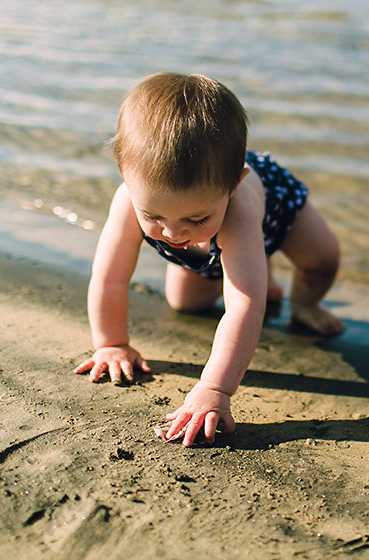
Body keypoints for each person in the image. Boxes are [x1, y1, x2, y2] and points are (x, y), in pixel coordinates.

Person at [74, 72, 343, 446]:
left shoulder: (240, 209)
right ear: (126, 178)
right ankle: (252, 266)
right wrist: (112, 343)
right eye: (152, 216)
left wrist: (215, 389)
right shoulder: (130, 202)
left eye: (195, 218)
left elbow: (244, 307)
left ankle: (303, 303)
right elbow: (109, 278)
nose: (171, 233)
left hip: (276, 215)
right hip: (209, 248)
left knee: (322, 260)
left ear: (233, 185)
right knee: (185, 303)